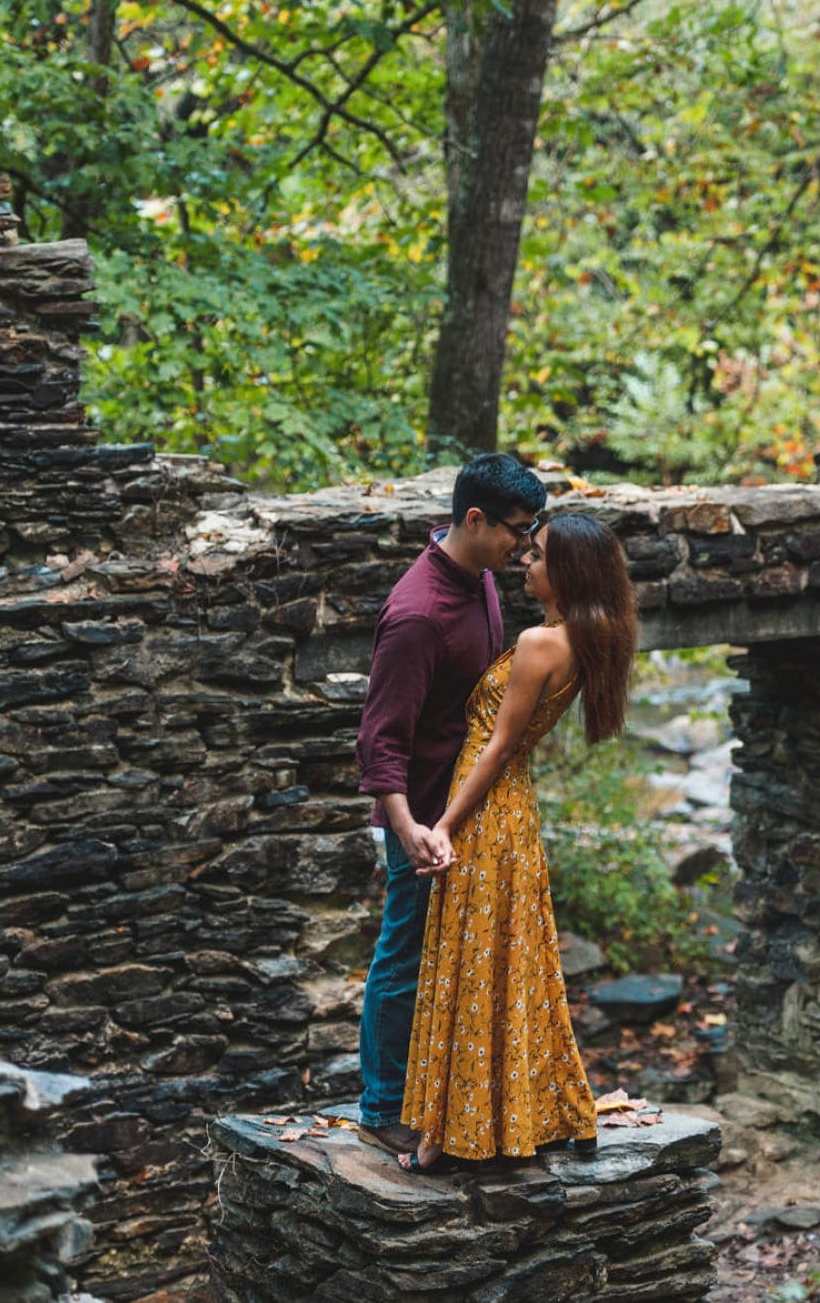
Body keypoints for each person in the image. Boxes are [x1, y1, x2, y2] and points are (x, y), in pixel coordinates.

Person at [397, 512, 639, 1171]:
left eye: (536, 556)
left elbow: (499, 748)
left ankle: (444, 1139)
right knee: (518, 969)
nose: (524, 564)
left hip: (485, 816)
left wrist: (443, 825)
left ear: (566, 573)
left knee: (471, 967)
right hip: (517, 819)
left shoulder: (540, 643)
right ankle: (551, 1113)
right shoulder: (589, 634)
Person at [354, 453, 547, 1160]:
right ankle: (381, 1107)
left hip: (463, 811)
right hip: (423, 818)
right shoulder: (416, 616)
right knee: (403, 955)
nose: (524, 547)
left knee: (452, 957)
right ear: (474, 519)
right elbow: (381, 739)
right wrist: (407, 829)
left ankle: (442, 1096)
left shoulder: (482, 577)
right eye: (517, 532)